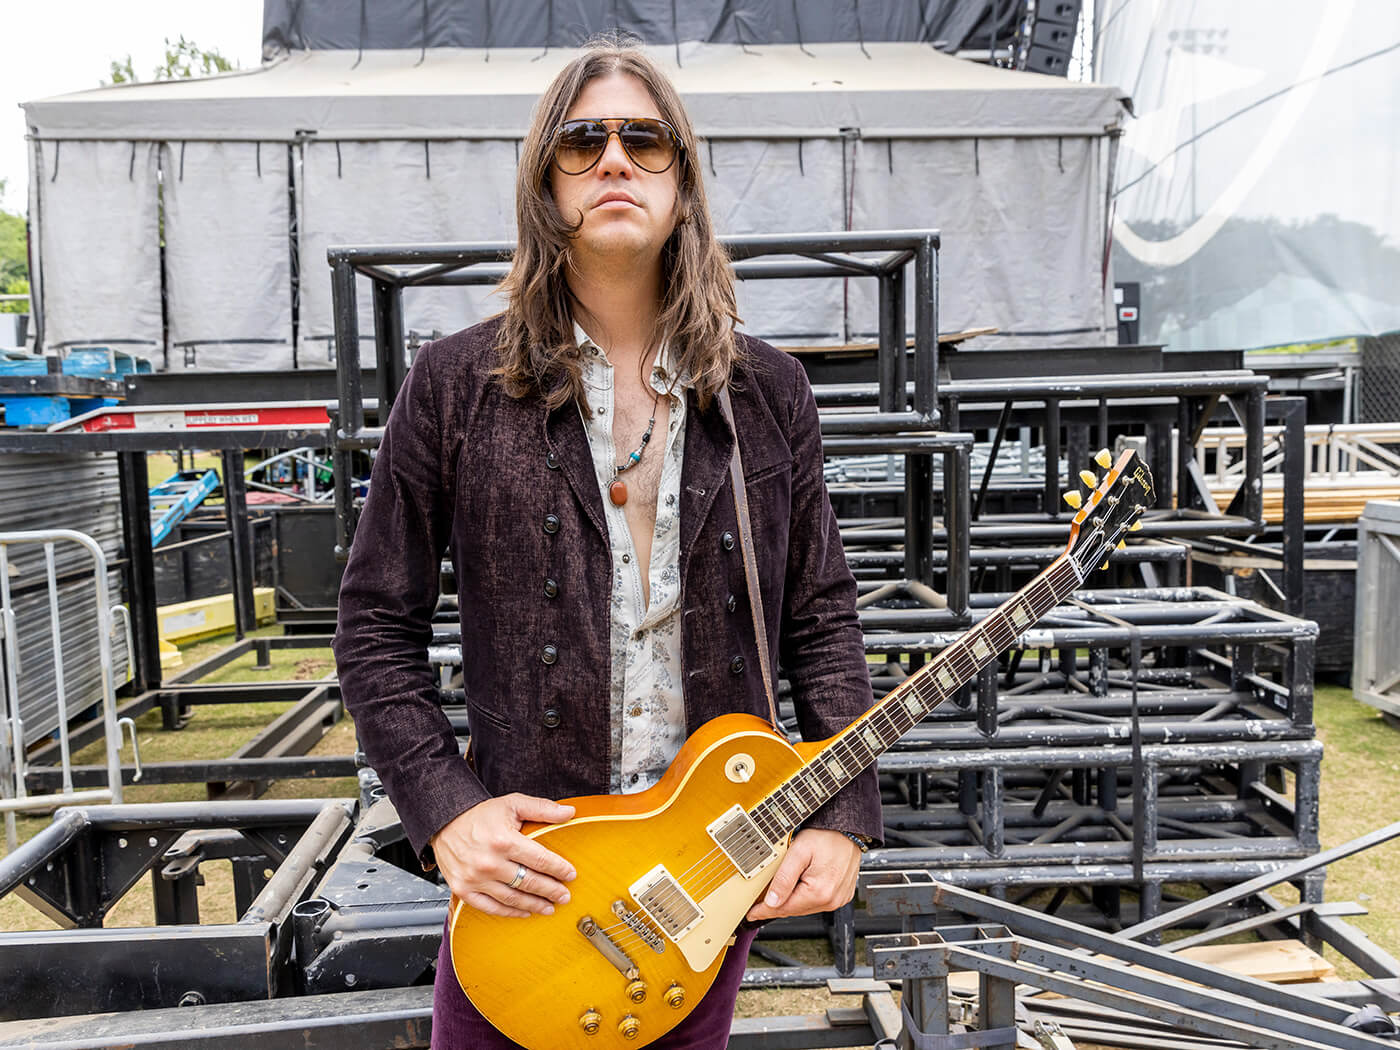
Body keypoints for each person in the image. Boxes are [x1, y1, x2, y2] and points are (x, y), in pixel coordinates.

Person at [332, 36, 882, 1050]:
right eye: (582, 141)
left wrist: (843, 816)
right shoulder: (456, 387)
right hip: (527, 891)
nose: (615, 160)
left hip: (700, 889)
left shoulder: (766, 393)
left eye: (646, 139)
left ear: (683, 181)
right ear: (545, 182)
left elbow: (821, 614)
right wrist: (445, 808)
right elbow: (373, 624)